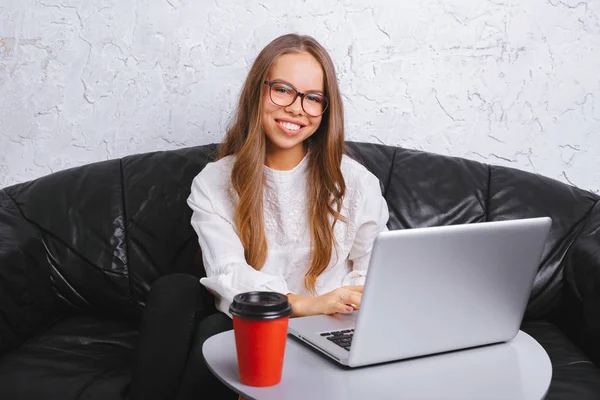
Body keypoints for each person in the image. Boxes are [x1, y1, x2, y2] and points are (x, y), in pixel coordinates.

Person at [130, 33, 389, 400]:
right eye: (283, 90)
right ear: (258, 92)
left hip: (325, 328)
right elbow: (228, 274)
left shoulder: (357, 183)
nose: (297, 108)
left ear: (325, 109)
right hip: (255, 323)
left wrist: (338, 303)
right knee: (182, 298)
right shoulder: (215, 182)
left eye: (313, 98)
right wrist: (302, 303)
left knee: (213, 331)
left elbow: (376, 273)